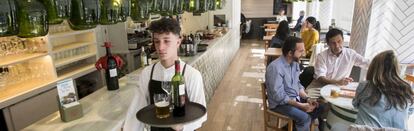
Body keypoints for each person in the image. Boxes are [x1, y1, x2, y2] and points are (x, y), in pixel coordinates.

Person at [123, 18, 207, 131]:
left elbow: (201, 116)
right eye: (157, 41)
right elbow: (137, 108)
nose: (160, 47)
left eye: (166, 41)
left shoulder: (192, 75)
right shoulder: (148, 73)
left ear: (178, 41)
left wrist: (182, 127)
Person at [265, 36, 325, 131]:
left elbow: (298, 84)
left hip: (293, 99)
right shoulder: (275, 68)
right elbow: (279, 96)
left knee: (319, 107)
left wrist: (307, 98)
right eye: (301, 51)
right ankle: (298, 124)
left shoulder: (295, 64)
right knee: (304, 118)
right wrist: (300, 105)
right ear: (290, 53)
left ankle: (292, 127)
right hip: (279, 104)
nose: (304, 53)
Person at [352, 50, 414, 130]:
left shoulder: (365, 86)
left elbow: (355, 105)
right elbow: (410, 110)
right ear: (396, 68)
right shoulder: (407, 89)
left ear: (373, 68)